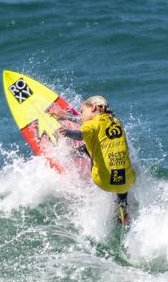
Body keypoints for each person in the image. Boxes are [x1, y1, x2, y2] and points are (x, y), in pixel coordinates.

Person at [53, 95, 137, 225]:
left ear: (92, 107)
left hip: (103, 180)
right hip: (128, 181)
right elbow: (91, 123)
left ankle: (74, 154)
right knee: (119, 157)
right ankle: (122, 205)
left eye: (82, 111)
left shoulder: (92, 125)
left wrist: (68, 132)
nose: (80, 115)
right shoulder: (116, 121)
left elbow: (81, 134)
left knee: (89, 143)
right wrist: (68, 117)